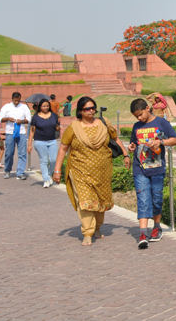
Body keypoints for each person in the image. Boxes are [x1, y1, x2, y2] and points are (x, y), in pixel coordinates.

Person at [52, 96, 130, 246]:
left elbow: (116, 138)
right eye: (88, 108)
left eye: (93, 107)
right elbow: (63, 148)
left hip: (103, 171)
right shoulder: (74, 127)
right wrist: (57, 170)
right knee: (85, 202)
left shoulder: (104, 123)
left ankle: (97, 228)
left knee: (100, 201)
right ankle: (87, 232)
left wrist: (125, 155)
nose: (92, 111)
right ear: (80, 111)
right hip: (80, 170)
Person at [127, 98, 176, 249]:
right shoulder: (137, 126)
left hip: (157, 168)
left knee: (156, 199)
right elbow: (134, 143)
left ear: (147, 108)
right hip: (140, 168)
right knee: (143, 199)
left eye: (140, 114)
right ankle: (143, 233)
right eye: (136, 116)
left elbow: (175, 140)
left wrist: (160, 142)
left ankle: (156, 226)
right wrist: (131, 147)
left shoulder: (161, 123)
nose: (139, 118)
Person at [28, 99, 60, 188]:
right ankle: (46, 179)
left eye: (47, 106)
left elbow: (57, 125)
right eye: (44, 106)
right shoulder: (36, 117)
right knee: (44, 161)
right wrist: (29, 144)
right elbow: (32, 130)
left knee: (53, 160)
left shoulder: (53, 115)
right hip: (40, 141)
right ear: (40, 107)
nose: (46, 108)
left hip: (52, 140)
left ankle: (49, 174)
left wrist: (58, 128)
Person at [0, 92, 31, 180]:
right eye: (15, 100)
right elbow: (0, 119)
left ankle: (20, 172)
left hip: (21, 133)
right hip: (10, 133)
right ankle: (7, 170)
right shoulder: (6, 107)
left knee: (22, 153)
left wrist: (22, 121)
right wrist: (8, 118)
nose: (16, 102)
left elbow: (29, 119)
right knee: (9, 153)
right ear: (12, 99)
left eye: (18, 100)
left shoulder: (24, 107)